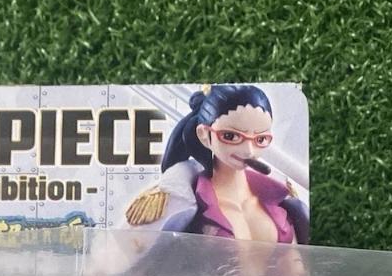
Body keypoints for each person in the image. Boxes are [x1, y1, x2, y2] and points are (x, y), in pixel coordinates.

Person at [123, 84, 308, 245]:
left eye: (260, 139)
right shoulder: (177, 202)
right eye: (231, 136)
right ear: (204, 134)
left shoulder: (281, 196)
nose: (249, 151)